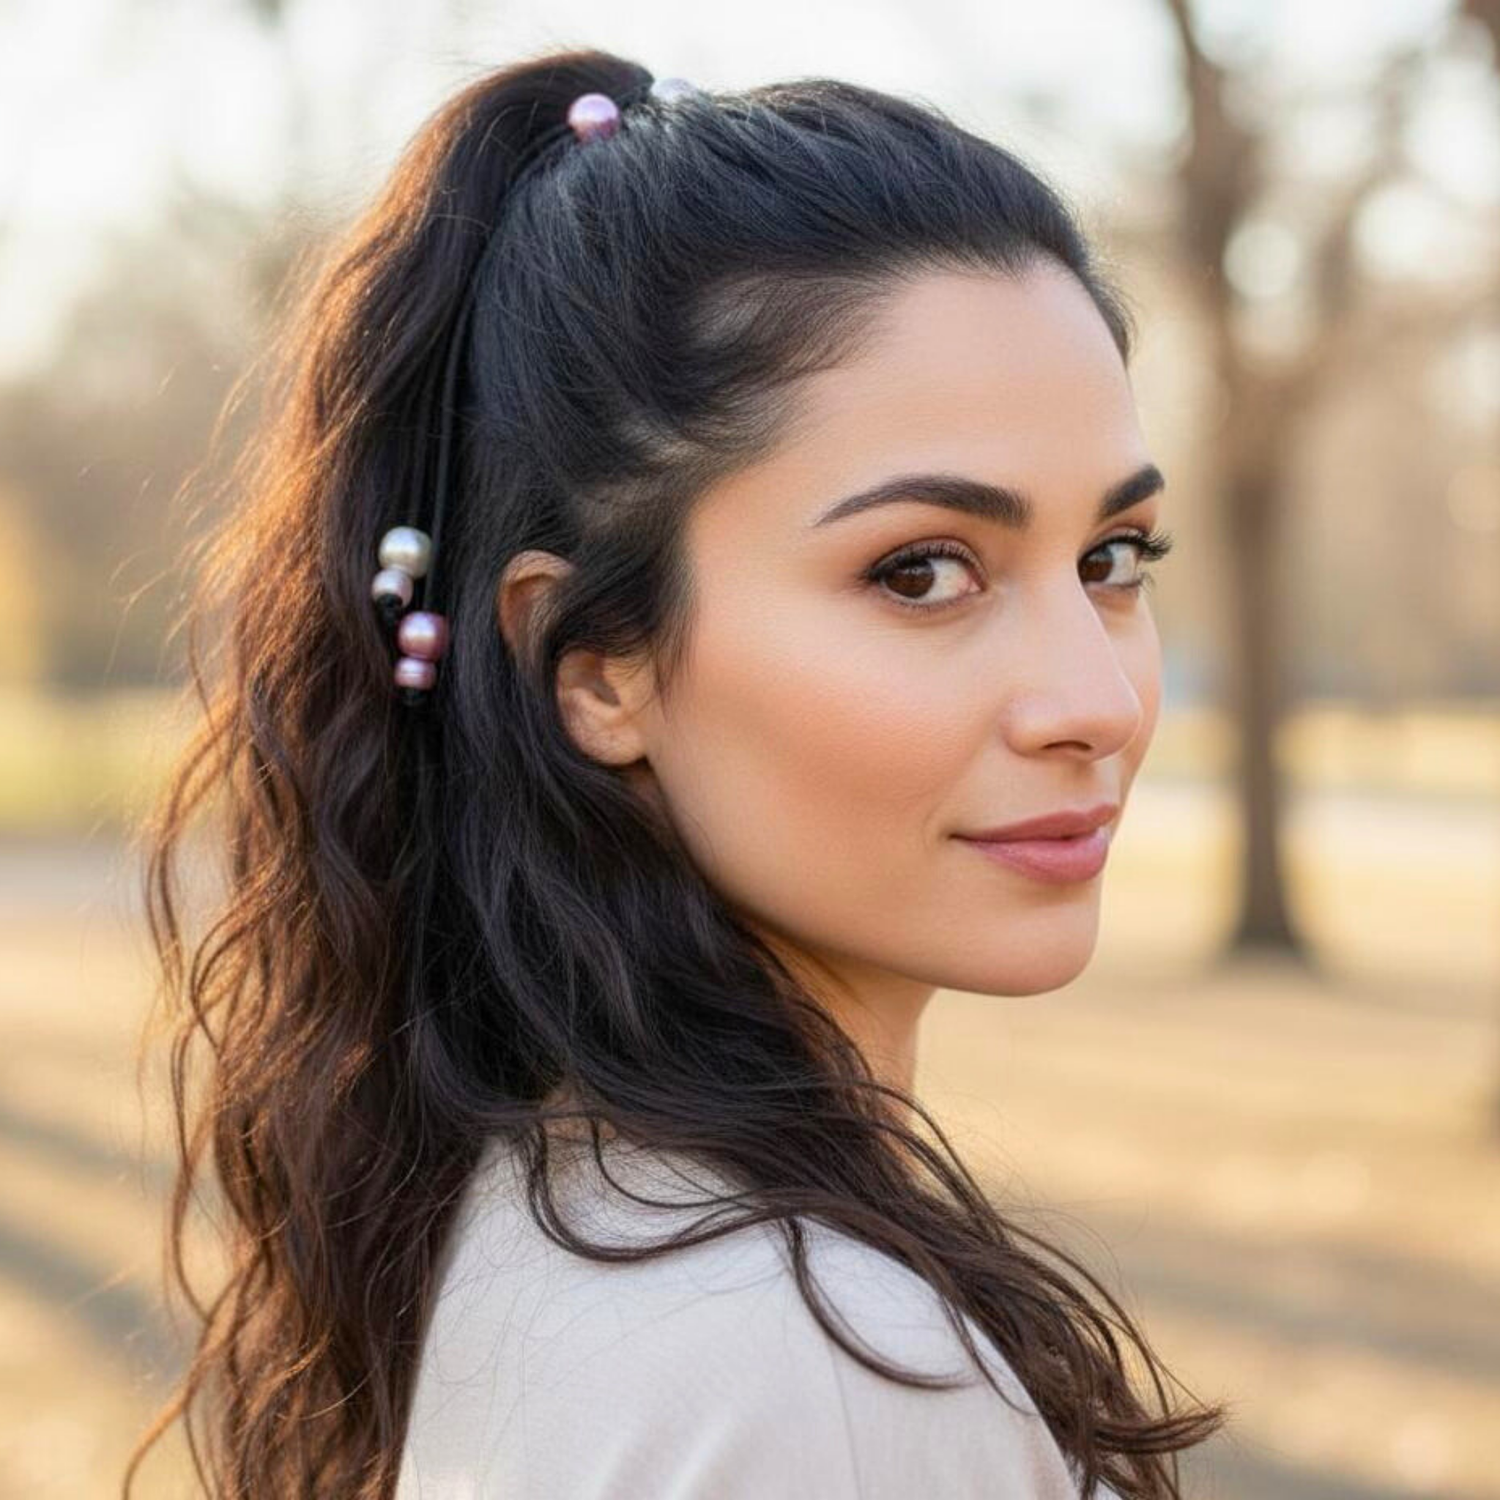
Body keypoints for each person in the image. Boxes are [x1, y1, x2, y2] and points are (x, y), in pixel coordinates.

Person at [127, 45, 1230, 1500]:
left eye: (1110, 561)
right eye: (921, 571)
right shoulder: (813, 1376)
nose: (1095, 701)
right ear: (597, 667)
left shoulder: (570, 1221)